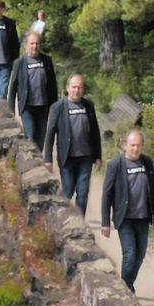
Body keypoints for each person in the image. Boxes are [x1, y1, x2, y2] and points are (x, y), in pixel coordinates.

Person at [99, 130, 154, 292]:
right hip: (125, 218)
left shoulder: (147, 163)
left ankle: (127, 284)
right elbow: (107, 194)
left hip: (143, 217)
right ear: (125, 145)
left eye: (138, 145)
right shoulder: (115, 165)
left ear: (142, 146)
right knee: (130, 255)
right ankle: (125, 290)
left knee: (140, 256)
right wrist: (105, 221)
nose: (135, 149)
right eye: (132, 145)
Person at [41, 75, 103, 216]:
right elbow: (50, 134)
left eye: (79, 87)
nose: (76, 90)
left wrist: (98, 157)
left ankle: (80, 221)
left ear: (83, 89)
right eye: (74, 87)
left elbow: (95, 132)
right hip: (67, 158)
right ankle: (66, 219)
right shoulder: (58, 108)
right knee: (68, 192)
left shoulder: (89, 106)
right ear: (67, 88)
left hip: (86, 158)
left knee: (82, 192)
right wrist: (48, 158)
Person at [4, 32, 58, 148]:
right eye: (32, 44)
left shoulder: (47, 61)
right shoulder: (19, 63)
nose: (34, 46)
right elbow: (13, 87)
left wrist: (55, 109)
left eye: (37, 44)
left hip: (44, 107)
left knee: (41, 139)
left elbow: (53, 87)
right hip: (27, 107)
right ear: (26, 45)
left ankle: (37, 162)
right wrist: (11, 108)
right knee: (31, 135)